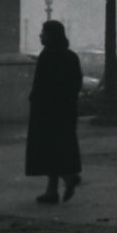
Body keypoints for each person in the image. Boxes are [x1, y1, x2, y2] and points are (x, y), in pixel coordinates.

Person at [25, 20, 83, 204]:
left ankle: (66, 179)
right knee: (60, 148)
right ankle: (52, 190)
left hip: (47, 111)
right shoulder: (71, 56)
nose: (40, 35)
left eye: (44, 32)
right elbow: (76, 84)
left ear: (52, 35)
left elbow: (41, 85)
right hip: (66, 110)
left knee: (48, 150)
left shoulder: (47, 56)